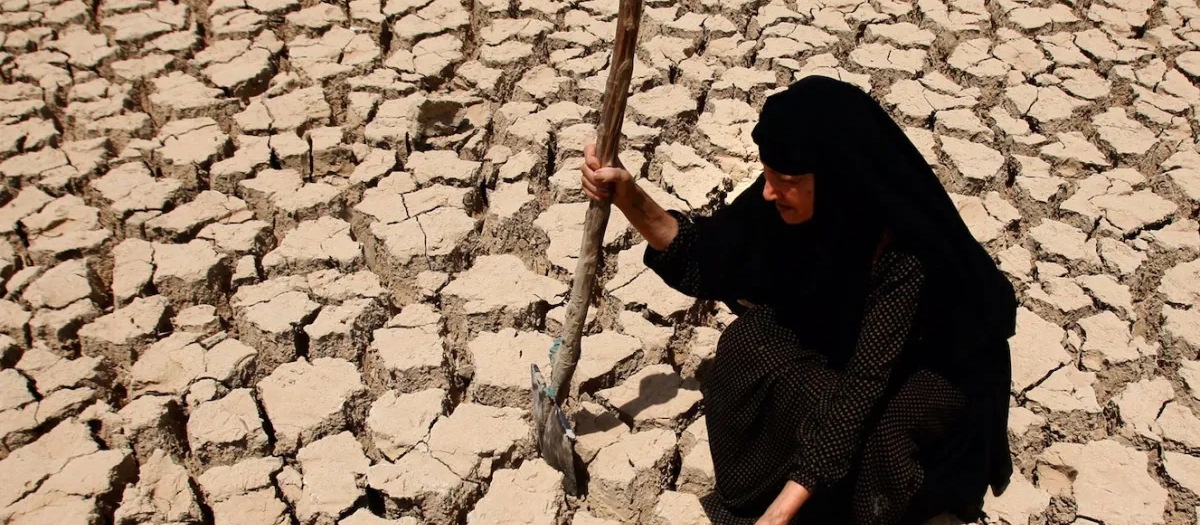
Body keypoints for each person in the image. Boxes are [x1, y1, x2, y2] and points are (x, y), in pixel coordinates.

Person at [579, 76, 1018, 525]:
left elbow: (864, 383)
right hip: (849, 340)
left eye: (785, 180)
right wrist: (630, 198)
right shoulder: (793, 193)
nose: (769, 191)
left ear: (834, 179)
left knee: (878, 435)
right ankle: (780, 489)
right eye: (766, 174)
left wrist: (783, 509)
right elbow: (712, 255)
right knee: (748, 345)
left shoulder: (904, 251)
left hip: (932, 367)